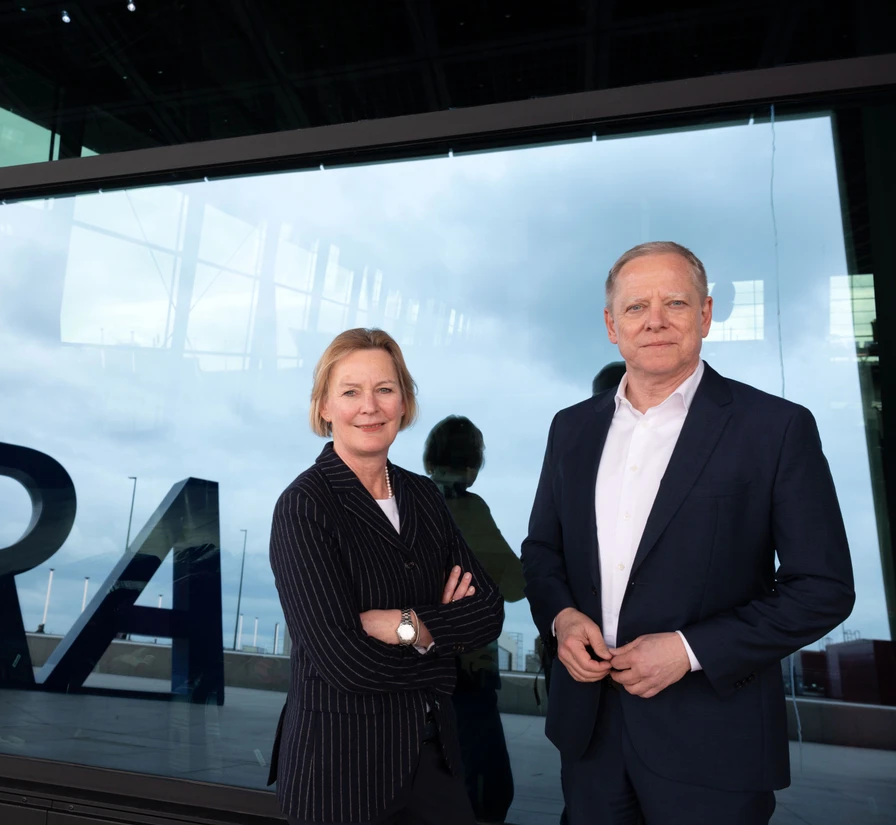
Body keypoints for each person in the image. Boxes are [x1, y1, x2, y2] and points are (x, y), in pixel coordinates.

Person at [521, 241, 855, 824]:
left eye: (674, 302)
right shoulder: (571, 429)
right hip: (590, 738)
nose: (654, 321)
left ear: (704, 314)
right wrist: (562, 618)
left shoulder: (775, 429)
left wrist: (688, 650)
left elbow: (822, 587)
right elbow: (542, 551)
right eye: (635, 307)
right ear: (610, 325)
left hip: (715, 746)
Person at [267, 328, 505, 825]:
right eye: (350, 392)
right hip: (340, 775)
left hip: (434, 762)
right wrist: (441, 658)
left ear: (404, 402)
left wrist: (407, 626)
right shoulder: (305, 506)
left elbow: (487, 611)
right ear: (324, 407)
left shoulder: (423, 497)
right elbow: (345, 662)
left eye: (385, 389)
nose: (369, 407)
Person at [423, 415, 525, 825]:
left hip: (415, 666)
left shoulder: (410, 499)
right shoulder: (468, 509)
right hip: (466, 669)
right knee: (487, 785)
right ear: (473, 466)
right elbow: (515, 583)